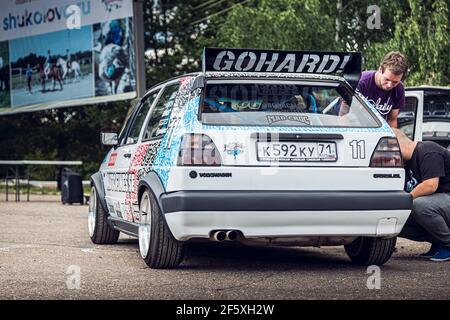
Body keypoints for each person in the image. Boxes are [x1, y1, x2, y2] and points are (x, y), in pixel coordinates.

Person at [394, 128, 450, 262]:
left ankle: (447, 244)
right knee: (394, 218)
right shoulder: (406, 164)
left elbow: (430, 185)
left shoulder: (427, 150)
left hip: (446, 198)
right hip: (440, 205)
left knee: (419, 205)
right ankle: (438, 242)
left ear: (396, 145)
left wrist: (405, 200)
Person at [357, 51, 408, 128]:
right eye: (386, 79)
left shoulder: (399, 89)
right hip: (355, 128)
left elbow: (392, 120)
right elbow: (344, 113)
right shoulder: (361, 82)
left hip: (377, 131)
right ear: (380, 69)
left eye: (395, 82)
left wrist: (391, 139)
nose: (389, 85)